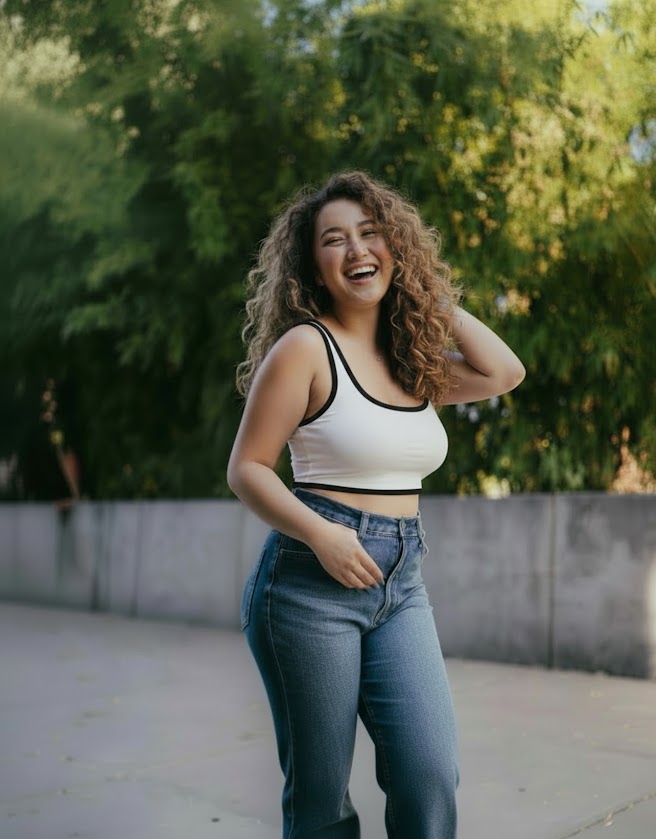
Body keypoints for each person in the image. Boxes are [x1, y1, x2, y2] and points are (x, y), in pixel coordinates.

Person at [227, 171, 525, 839]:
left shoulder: (412, 361)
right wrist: (323, 535)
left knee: (429, 772)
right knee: (322, 797)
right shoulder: (305, 348)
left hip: (402, 582)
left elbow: (504, 372)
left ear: (395, 248)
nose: (357, 249)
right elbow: (247, 469)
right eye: (334, 239)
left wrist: (428, 297)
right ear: (314, 265)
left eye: (371, 233)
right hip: (308, 585)